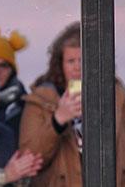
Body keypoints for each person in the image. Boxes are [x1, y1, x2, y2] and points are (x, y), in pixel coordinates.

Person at [19, 22, 83, 186]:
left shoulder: (115, 95)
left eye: (83, 60)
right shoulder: (40, 100)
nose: (78, 67)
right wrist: (57, 120)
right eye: (71, 61)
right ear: (59, 65)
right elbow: (29, 158)